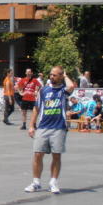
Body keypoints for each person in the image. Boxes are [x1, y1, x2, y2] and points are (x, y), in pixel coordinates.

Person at [24, 66, 75, 194]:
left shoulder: (63, 91)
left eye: (55, 75)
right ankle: (36, 182)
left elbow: (72, 87)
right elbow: (36, 108)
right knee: (37, 154)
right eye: (51, 74)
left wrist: (66, 76)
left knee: (56, 155)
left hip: (58, 128)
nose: (51, 77)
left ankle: (53, 182)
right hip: (43, 127)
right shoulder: (43, 90)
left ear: (60, 76)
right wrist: (31, 125)